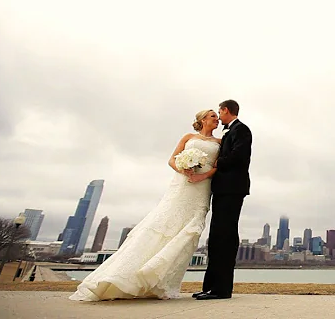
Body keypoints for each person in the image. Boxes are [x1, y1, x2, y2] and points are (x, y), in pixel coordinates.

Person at [69, 110, 221, 301]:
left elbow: (217, 166)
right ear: (203, 119)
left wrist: (202, 175)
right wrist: (184, 169)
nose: (217, 119)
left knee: (191, 230)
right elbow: (172, 159)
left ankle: (162, 282)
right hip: (182, 185)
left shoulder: (219, 143)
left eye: (217, 116)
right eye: (213, 116)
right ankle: (129, 275)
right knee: (164, 223)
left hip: (201, 188)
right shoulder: (188, 137)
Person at [193, 99, 252, 300]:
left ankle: (222, 289)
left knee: (225, 238)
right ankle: (210, 287)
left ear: (226, 110)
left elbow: (240, 157)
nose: (218, 115)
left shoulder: (241, 130)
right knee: (216, 238)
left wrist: (217, 162)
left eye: (219, 111)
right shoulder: (228, 133)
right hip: (221, 190)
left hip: (232, 189)